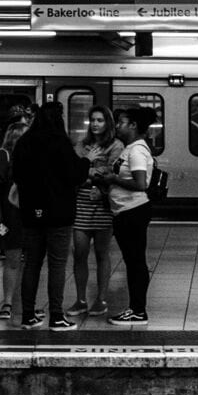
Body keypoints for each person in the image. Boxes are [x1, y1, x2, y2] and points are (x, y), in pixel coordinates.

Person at [12, 101, 89, 330]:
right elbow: (75, 176)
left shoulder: (24, 143)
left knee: (32, 264)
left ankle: (28, 316)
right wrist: (86, 161)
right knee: (57, 265)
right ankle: (56, 316)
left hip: (31, 213)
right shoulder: (60, 143)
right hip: (59, 214)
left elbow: (17, 176)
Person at [98, 106, 154, 327]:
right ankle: (136, 308)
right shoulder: (130, 148)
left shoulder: (137, 151)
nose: (118, 126)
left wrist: (113, 179)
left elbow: (141, 184)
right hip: (125, 211)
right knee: (133, 261)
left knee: (135, 261)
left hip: (133, 211)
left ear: (133, 125)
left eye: (121, 122)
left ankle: (138, 310)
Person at [69, 105, 123, 317]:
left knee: (102, 253)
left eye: (100, 120)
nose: (95, 124)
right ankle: (81, 299)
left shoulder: (116, 145)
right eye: (92, 120)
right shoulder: (81, 145)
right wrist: (91, 169)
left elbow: (112, 171)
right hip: (81, 204)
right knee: (79, 252)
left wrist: (88, 170)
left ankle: (101, 299)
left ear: (107, 122)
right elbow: (74, 171)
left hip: (103, 204)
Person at [0, 120, 27, 321]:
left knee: (24, 260)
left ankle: (22, 302)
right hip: (10, 216)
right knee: (13, 259)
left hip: (23, 215)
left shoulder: (29, 157)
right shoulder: (4, 155)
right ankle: (9, 302)